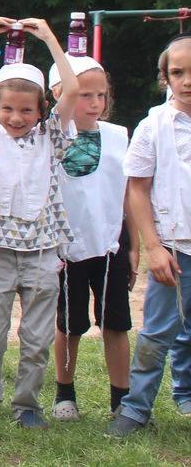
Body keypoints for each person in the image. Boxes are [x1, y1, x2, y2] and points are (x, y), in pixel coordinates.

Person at [0, 16, 78, 428]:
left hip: (43, 251)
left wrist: (48, 37)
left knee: (36, 339)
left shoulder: (52, 135)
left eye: (27, 109)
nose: (16, 117)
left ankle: (27, 404)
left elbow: (74, 88)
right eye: (8, 108)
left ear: (42, 109)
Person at [108, 35, 191, 437]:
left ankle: (186, 392)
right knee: (158, 332)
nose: (187, 81)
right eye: (178, 72)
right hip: (175, 249)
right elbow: (137, 187)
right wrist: (154, 247)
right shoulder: (153, 125)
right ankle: (135, 409)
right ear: (165, 78)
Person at [47, 56, 134, 422]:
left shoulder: (118, 136)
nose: (96, 103)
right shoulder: (48, 136)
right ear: (60, 93)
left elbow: (126, 193)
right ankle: (65, 395)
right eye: (85, 94)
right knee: (69, 324)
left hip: (110, 245)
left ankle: (122, 399)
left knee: (116, 322)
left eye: (101, 94)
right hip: (65, 249)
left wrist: (133, 246)